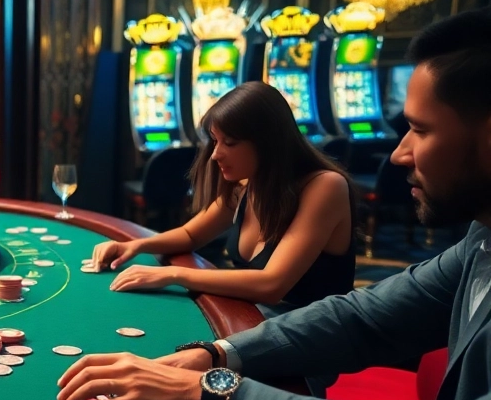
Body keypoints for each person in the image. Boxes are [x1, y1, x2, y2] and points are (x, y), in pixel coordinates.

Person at [57, 7, 491, 400]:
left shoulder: (325, 186)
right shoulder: (480, 241)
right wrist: (216, 353)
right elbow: (362, 317)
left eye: (420, 129)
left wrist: (217, 392)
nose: (397, 154)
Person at [91, 81, 355, 314]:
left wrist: (173, 274)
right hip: (252, 316)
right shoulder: (247, 185)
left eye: (229, 143)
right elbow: (191, 235)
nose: (216, 154)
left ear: (268, 143)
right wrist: (135, 246)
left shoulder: (325, 187)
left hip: (310, 337)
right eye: (215, 141)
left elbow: (272, 285)